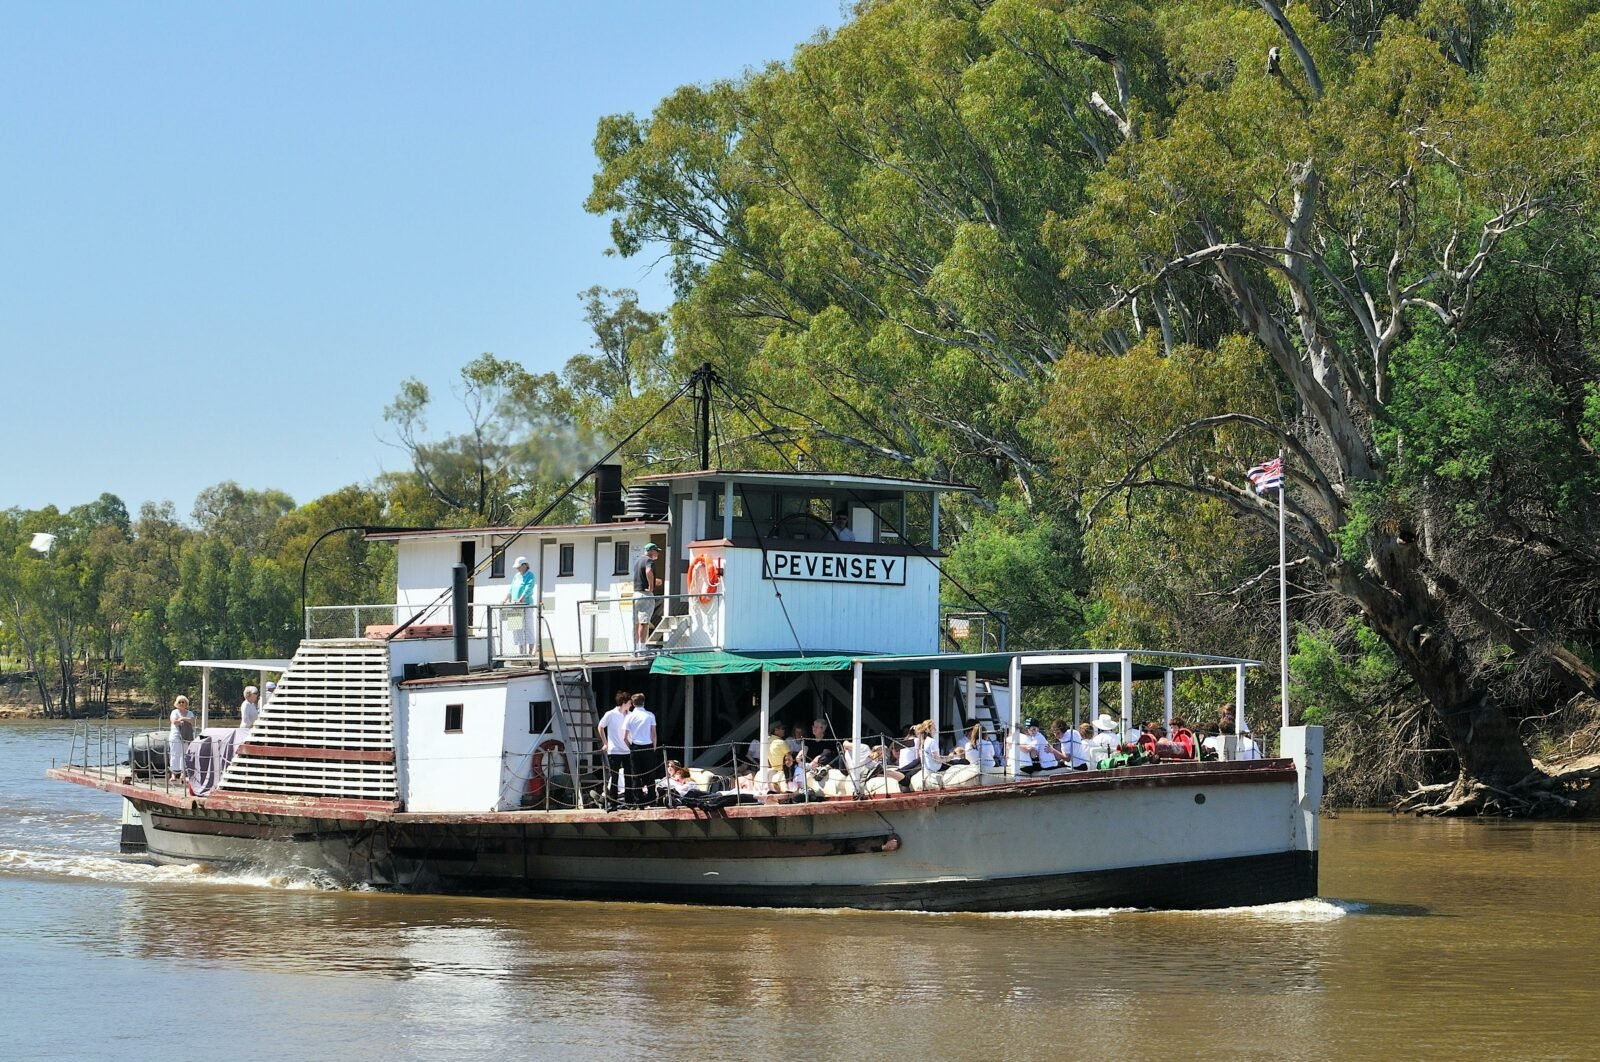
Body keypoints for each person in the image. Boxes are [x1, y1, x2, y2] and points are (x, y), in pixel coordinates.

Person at [596, 694, 632, 810]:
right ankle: (613, 803)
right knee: (614, 777)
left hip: (627, 750)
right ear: (624, 702)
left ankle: (629, 802)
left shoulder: (630, 714)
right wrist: (605, 743)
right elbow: (600, 726)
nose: (631, 705)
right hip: (614, 749)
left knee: (629, 777)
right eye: (629, 702)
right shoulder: (610, 714)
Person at [625, 693, 659, 806]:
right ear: (644, 702)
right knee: (650, 775)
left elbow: (625, 737)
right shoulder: (650, 715)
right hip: (648, 746)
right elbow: (654, 734)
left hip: (635, 747)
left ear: (633, 703)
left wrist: (630, 747)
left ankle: (638, 801)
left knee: (635, 776)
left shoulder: (629, 716)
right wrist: (654, 747)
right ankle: (652, 800)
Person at [632, 543, 663, 650]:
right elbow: (648, 571)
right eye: (656, 551)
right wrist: (651, 586)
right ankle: (642, 647)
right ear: (652, 551)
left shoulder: (638, 561)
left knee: (636, 622)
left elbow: (642, 576)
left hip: (636, 594)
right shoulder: (649, 561)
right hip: (645, 594)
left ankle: (635, 647)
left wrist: (654, 581)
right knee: (644, 622)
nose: (657, 553)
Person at [509, 555, 537, 653]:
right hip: (514, 605)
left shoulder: (530, 575)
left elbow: (528, 589)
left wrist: (520, 600)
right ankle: (521, 651)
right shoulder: (516, 576)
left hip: (526, 605)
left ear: (525, 565)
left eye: (519, 566)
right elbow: (511, 589)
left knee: (528, 627)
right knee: (516, 628)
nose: (517, 568)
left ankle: (530, 651)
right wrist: (505, 600)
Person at [168, 695, 195, 781]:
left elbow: (192, 721)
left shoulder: (190, 713)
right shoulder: (174, 712)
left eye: (183, 702)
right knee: (175, 753)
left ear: (186, 703)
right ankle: (173, 774)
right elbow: (174, 722)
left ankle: (183, 773)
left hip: (187, 735)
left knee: (184, 754)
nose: (181, 703)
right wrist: (185, 720)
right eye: (179, 702)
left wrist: (182, 718)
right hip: (176, 735)